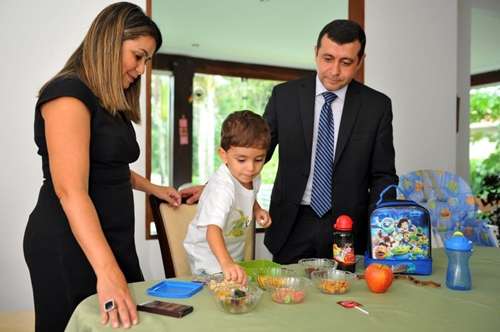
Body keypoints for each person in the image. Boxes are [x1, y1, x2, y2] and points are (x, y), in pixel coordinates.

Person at [23, 3, 180, 331]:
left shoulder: (108, 102)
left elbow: (108, 168)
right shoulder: (68, 94)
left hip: (111, 240)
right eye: (138, 56)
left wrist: (154, 189)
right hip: (68, 242)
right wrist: (108, 272)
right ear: (110, 41)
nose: (141, 69)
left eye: (147, 61)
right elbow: (70, 189)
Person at [262, 19, 398, 263]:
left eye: (345, 62)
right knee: (287, 296)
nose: (334, 71)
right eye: (327, 58)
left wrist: (382, 232)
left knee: (344, 297)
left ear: (360, 62)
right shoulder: (284, 96)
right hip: (292, 223)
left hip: (347, 226)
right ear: (315, 53)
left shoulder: (376, 106)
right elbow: (258, 151)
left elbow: (383, 176)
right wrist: (218, 183)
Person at [183, 111, 272, 284]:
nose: (251, 168)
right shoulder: (221, 188)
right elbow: (212, 231)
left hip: (230, 252)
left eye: (259, 159)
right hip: (207, 256)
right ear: (224, 155)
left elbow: (247, 195)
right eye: (241, 160)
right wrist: (227, 263)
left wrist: (257, 209)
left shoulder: (252, 177)